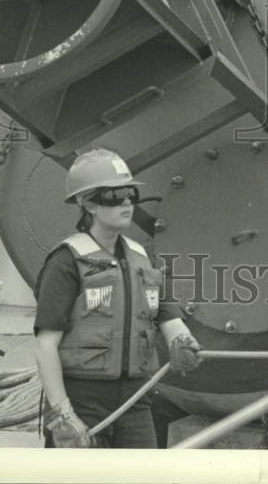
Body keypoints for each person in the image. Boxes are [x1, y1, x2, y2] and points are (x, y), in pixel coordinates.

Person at [33, 147, 202, 448]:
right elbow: (46, 345)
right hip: (82, 400)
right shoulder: (66, 261)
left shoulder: (140, 256)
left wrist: (182, 341)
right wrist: (63, 413)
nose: (126, 202)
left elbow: (166, 313)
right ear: (88, 204)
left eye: (130, 194)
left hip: (136, 399)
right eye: (113, 196)